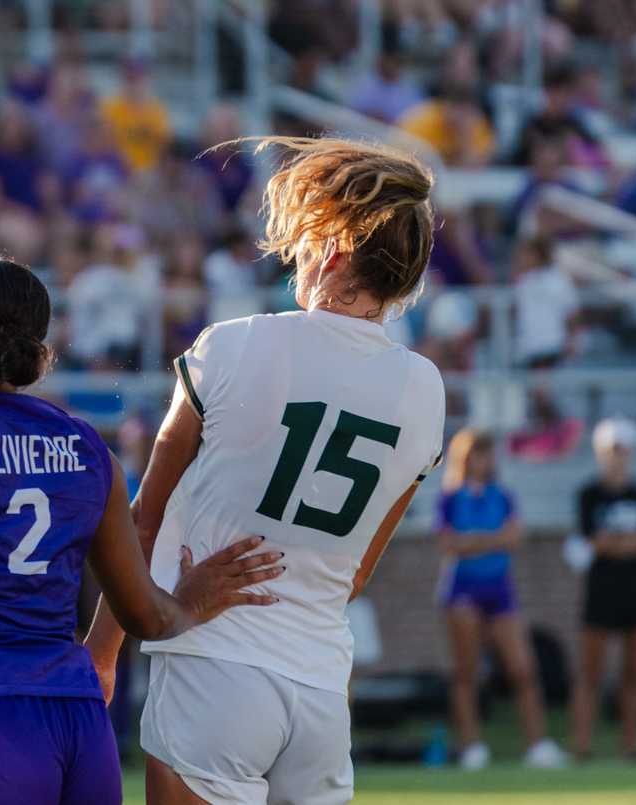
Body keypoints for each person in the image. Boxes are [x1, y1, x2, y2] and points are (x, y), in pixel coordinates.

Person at [0, 254, 284, 804]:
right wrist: (190, 603)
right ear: (38, 355)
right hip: (77, 726)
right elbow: (146, 615)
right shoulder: (88, 448)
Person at [86, 137, 452, 804]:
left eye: (308, 242)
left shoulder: (234, 342)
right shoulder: (426, 391)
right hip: (317, 684)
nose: (298, 257)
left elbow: (146, 518)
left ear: (335, 252)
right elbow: (358, 568)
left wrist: (102, 651)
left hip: (211, 665)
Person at [438, 428, 566, 771]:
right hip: (463, 591)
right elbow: (451, 545)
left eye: (487, 453)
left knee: (523, 669)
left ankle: (538, 744)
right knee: (467, 673)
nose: (484, 460)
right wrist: (490, 540)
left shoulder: (503, 496)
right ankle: (472, 747)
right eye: (477, 453)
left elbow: (512, 538)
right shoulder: (450, 499)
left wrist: (475, 541)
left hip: (500, 590)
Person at [569, 419, 636, 761]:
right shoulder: (589, 494)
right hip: (601, 591)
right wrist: (622, 543)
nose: (617, 458)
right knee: (591, 672)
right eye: (611, 451)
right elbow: (592, 542)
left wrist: (613, 543)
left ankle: (631, 745)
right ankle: (582, 745)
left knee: (634, 674)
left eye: (622, 451)